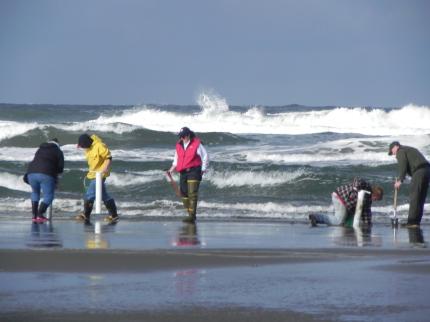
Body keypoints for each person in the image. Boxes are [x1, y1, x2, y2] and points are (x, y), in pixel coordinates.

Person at [168, 127, 209, 223]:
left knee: (192, 193)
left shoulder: (196, 144)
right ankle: (190, 214)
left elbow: (205, 156)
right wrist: (171, 170)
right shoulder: (178, 145)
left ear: (188, 135)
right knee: (184, 194)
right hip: (183, 172)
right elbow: (176, 160)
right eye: (180, 136)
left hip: (194, 171)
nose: (181, 138)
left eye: (183, 136)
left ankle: (192, 216)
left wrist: (203, 169)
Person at [76, 134, 119, 224]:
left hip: (100, 174)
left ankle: (86, 215)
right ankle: (114, 215)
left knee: (90, 194)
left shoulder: (100, 146)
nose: (82, 148)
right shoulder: (88, 148)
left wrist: (105, 168)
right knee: (104, 195)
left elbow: (108, 157)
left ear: (86, 143)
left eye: (82, 146)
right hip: (92, 174)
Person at [309, 177, 383, 227]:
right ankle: (316, 217)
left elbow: (366, 214)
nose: (375, 200)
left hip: (345, 203)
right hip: (340, 197)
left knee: (343, 221)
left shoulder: (368, 201)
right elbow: (358, 180)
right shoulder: (367, 187)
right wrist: (355, 190)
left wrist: (368, 224)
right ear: (375, 193)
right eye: (377, 198)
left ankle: (319, 219)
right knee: (339, 221)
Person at [388, 141, 430, 227]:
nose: (393, 154)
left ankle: (411, 222)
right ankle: (416, 222)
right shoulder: (409, 149)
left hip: (419, 172)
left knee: (414, 197)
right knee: (420, 197)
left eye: (392, 151)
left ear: (396, 147)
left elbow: (403, 165)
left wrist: (400, 180)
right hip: (427, 170)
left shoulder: (401, 151)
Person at [24, 138, 64, 223]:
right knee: (49, 196)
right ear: (57, 144)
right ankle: (40, 214)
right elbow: (60, 168)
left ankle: (34, 216)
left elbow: (36, 161)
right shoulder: (58, 151)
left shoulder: (40, 149)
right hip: (46, 174)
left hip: (31, 173)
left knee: (35, 193)